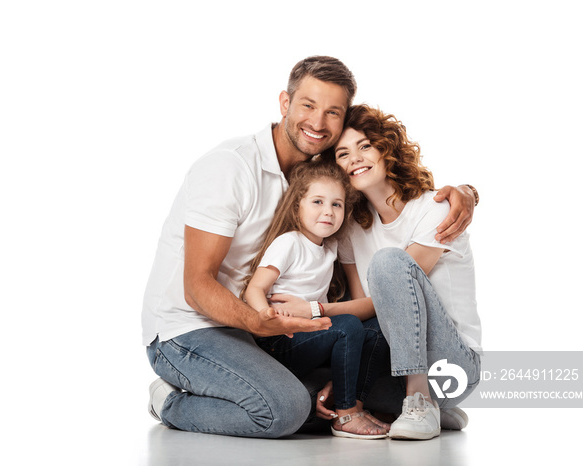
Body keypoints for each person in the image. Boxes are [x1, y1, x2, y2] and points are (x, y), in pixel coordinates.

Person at [142, 56, 477, 438]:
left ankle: (417, 403)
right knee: (285, 412)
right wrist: (261, 323)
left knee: (328, 392)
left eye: (332, 112)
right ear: (284, 104)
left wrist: (467, 192)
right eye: (307, 105)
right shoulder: (230, 167)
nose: (318, 123)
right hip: (189, 330)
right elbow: (196, 285)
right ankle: (170, 401)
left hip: (257, 335)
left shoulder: (322, 186)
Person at [318, 104, 482, 440]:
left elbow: (384, 301)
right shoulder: (351, 229)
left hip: (451, 363)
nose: (355, 159)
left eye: (365, 146)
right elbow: (366, 319)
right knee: (310, 393)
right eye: (343, 153)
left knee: (388, 262)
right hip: (394, 365)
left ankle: (420, 400)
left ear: (386, 148)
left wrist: (315, 312)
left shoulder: (435, 208)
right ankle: (425, 407)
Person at [243, 161, 388, 439]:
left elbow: (359, 305)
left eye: (337, 205)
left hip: (313, 334)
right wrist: (266, 317)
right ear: (298, 205)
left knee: (375, 328)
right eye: (318, 201)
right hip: (281, 341)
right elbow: (255, 288)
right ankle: (345, 416)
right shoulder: (290, 242)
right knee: (346, 326)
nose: (328, 212)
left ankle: (353, 402)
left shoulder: (331, 247)